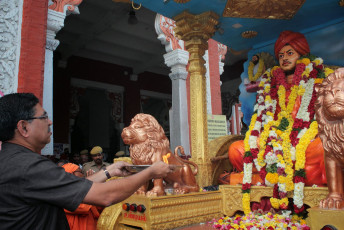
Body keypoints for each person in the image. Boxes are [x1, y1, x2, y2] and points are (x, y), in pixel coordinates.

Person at [0, 93, 173, 229]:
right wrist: (150, 172)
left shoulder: (12, 160)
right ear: (23, 127)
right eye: (44, 117)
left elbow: (75, 187)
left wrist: (109, 171)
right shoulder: (29, 167)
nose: (50, 122)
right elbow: (106, 196)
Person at [228, 31, 334, 213]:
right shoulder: (270, 83)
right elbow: (263, 119)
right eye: (281, 55)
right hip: (273, 141)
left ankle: (258, 178)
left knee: (326, 147)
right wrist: (271, 139)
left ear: (302, 53)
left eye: (290, 53)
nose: (284, 58)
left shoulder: (317, 78)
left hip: (304, 140)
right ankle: (275, 175)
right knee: (236, 150)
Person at [62, 163, 99, 230]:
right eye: (81, 172)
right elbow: (83, 208)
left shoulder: (80, 189)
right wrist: (89, 184)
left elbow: (98, 207)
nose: (83, 175)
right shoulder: (62, 193)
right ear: (70, 174)